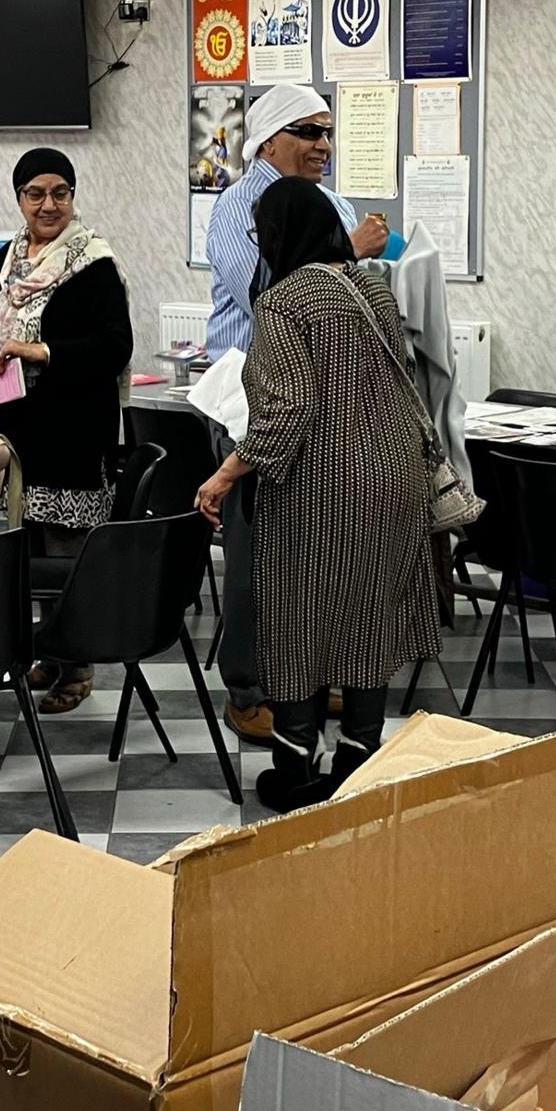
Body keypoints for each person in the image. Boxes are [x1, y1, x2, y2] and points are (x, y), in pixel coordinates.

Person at [194, 177, 437, 810]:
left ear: (277, 233)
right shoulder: (372, 288)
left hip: (320, 486)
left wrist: (225, 473)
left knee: (296, 619)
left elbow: (285, 412)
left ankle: (297, 767)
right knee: (368, 618)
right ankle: (358, 759)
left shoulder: (285, 302)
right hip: (394, 481)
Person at [201, 83, 390, 741]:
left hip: (326, 405)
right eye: (310, 132)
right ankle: (249, 687)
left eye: (328, 133)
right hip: (253, 402)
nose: (323, 146)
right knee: (256, 554)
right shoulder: (235, 205)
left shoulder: (329, 202)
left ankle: (308, 677)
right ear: (270, 138)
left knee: (314, 552)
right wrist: (348, 255)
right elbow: (265, 291)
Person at [0, 148, 134, 711]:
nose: (49, 205)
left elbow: (116, 345)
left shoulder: (92, 262)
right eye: (35, 194)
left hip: (72, 429)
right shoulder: (8, 258)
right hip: (18, 426)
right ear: (19, 198)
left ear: (73, 196)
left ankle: (77, 668)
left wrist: (42, 351)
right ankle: (50, 650)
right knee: (31, 544)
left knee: (68, 552)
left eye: (60, 193)